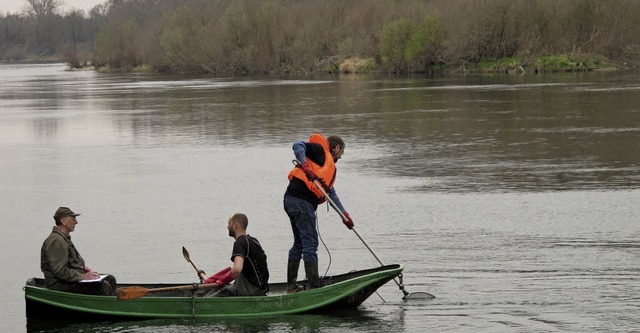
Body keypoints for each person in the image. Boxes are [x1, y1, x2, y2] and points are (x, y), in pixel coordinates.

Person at [283, 133, 355, 293]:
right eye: (341, 153)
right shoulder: (320, 151)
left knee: (300, 243)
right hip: (301, 202)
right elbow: (297, 144)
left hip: (291, 200)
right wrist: (305, 165)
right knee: (310, 243)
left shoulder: (324, 166)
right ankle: (314, 287)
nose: (340, 157)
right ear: (336, 148)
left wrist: (345, 216)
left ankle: (292, 287)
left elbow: (331, 193)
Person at [40, 207, 117, 296]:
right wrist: (82, 277)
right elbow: (60, 271)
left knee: (110, 279)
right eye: (73, 219)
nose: (76, 222)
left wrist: (85, 270)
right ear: (63, 221)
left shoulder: (63, 238)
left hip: (68, 280)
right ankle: (105, 308)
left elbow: (70, 263)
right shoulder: (57, 240)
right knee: (104, 286)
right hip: (59, 284)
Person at [203, 213, 269, 297]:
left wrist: (222, 282)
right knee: (220, 290)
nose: (227, 227)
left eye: (229, 224)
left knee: (208, 298)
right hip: (261, 289)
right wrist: (217, 279)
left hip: (251, 290)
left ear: (235, 225)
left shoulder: (240, 243)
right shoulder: (253, 241)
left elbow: (237, 269)